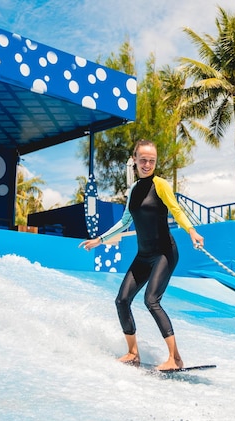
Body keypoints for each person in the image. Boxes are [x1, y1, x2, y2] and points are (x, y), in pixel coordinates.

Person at [79, 139, 204, 371]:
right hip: (144, 255)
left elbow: (176, 210)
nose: (147, 164)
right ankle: (132, 353)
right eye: (143, 160)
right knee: (122, 300)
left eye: (152, 160)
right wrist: (100, 239)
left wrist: (192, 231)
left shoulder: (161, 185)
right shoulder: (134, 190)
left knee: (151, 300)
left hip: (165, 252)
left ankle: (174, 358)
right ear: (134, 160)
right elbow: (125, 222)